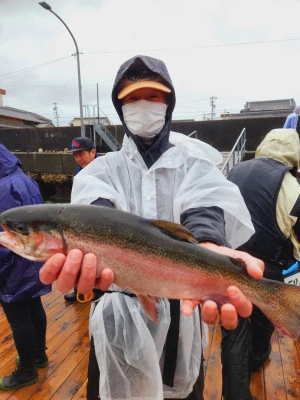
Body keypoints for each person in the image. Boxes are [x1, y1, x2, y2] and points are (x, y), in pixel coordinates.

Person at [39, 55, 264, 400]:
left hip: (182, 307)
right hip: (118, 318)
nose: (142, 105)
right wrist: (88, 248)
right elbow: (95, 212)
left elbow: (205, 202)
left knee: (185, 391)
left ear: (168, 103)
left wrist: (207, 242)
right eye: (131, 98)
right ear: (119, 107)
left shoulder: (193, 165)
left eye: (153, 96)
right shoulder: (101, 171)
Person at [222, 128, 300, 400]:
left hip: (230, 263)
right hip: (266, 269)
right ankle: (257, 359)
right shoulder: (290, 185)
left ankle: (235, 393)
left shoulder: (235, 171)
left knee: (233, 330)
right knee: (262, 320)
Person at [0, 143, 52, 390]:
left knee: (18, 317)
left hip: (13, 263)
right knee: (34, 307)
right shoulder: (24, 179)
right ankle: (39, 354)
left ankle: (27, 370)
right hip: (34, 258)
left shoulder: (2, 188)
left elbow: (4, 237)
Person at [64, 136, 98, 302]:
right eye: (75, 155)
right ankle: (81, 289)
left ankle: (93, 289)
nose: (78, 158)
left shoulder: (104, 170)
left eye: (81, 154)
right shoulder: (81, 172)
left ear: (93, 152)